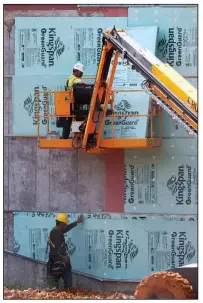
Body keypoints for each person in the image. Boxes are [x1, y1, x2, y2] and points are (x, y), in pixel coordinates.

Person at [47, 213, 84, 289]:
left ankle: (64, 294)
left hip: (58, 261)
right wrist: (64, 257)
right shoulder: (56, 232)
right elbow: (56, 248)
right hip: (58, 261)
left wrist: (76, 222)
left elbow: (65, 229)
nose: (66, 225)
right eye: (65, 224)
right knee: (59, 284)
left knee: (57, 284)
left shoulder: (57, 230)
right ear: (61, 224)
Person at [62, 63, 85, 139]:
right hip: (74, 102)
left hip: (68, 102)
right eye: (81, 72)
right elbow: (83, 87)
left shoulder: (69, 78)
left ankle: (65, 137)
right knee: (79, 117)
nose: (82, 74)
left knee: (68, 120)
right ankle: (77, 136)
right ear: (77, 71)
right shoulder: (77, 80)